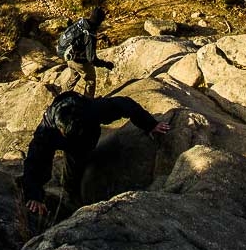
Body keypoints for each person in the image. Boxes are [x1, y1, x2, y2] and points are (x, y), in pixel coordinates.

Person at [22, 91, 171, 216]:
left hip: (88, 139)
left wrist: (150, 125)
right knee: (72, 169)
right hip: (71, 144)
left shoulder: (91, 110)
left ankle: (74, 186)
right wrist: (33, 195)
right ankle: (71, 193)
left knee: (79, 160)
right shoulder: (47, 131)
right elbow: (35, 160)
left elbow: (125, 105)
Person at [57, 6, 112, 98]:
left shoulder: (81, 22)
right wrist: (105, 64)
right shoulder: (90, 34)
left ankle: (62, 97)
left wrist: (97, 37)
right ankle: (88, 103)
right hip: (80, 62)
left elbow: (80, 38)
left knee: (73, 78)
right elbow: (92, 59)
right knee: (90, 80)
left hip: (69, 58)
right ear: (99, 21)